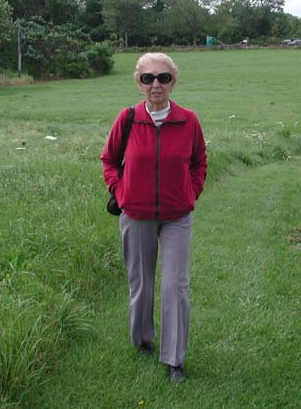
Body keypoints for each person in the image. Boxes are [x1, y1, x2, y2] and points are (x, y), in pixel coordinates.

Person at [101, 52, 207, 383]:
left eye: (163, 78)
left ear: (173, 82)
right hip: (136, 214)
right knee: (141, 282)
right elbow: (109, 160)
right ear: (140, 83)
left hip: (177, 215)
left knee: (175, 285)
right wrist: (121, 193)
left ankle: (174, 360)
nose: (156, 84)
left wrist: (191, 192)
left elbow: (200, 162)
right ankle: (143, 338)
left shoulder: (188, 120)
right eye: (148, 78)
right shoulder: (128, 119)